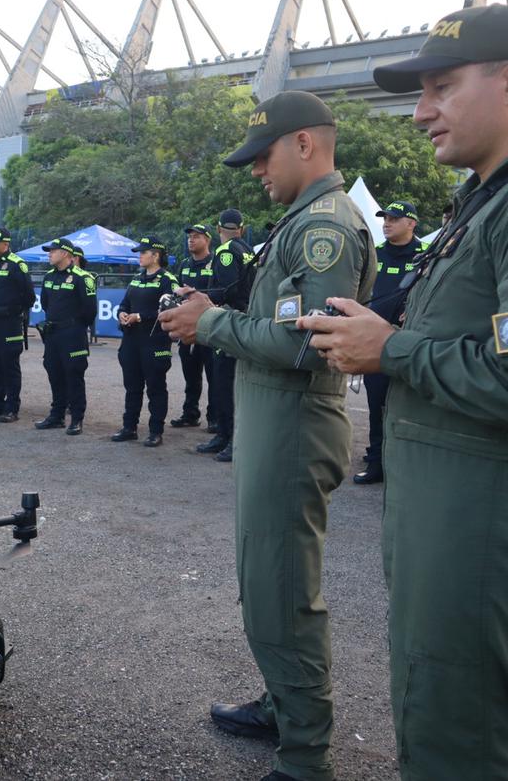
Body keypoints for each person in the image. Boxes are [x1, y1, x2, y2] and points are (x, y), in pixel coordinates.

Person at [298, 3, 508, 780]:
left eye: (441, 89)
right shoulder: (493, 195)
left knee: (464, 734)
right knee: (434, 699)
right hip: (448, 502)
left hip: (483, 512)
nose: (420, 113)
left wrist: (396, 350)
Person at [159, 89, 375, 781]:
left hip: (294, 424)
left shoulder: (325, 228)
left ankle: (306, 755)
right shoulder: (301, 220)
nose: (255, 169)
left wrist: (211, 325)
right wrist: (213, 307)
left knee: (283, 588)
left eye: (263, 155)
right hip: (273, 420)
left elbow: (313, 342)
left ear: (305, 143)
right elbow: (282, 318)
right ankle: (284, 707)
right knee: (265, 581)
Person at [353, 201, 427, 484]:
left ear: (411, 223)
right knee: (377, 406)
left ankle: (408, 464)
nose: (387, 223)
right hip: (376, 343)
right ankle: (377, 462)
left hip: (411, 343)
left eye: (394, 219)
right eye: (385, 218)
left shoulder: (426, 254)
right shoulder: (376, 254)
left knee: (411, 406)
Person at [197, 209, 255, 462]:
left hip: (228, 318)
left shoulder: (226, 251)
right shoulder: (248, 249)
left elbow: (226, 289)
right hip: (244, 317)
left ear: (219, 229)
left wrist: (200, 297)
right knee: (226, 380)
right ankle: (223, 434)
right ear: (241, 228)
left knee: (224, 381)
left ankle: (231, 439)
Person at [113, 237, 179, 446]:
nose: (139, 255)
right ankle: (129, 427)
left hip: (155, 342)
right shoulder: (136, 278)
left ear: (156, 255)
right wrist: (122, 314)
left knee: (156, 387)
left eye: (143, 252)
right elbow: (124, 304)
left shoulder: (168, 279)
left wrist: (140, 316)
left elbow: (171, 310)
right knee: (132, 387)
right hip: (132, 341)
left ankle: (155, 431)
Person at [35, 237, 97, 435]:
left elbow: (89, 311)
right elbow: (45, 304)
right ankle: (56, 416)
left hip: (73, 333)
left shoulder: (83, 277)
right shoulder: (49, 276)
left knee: (74, 375)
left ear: (65, 254)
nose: (49, 254)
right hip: (53, 333)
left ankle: (77, 419)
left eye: (53, 251)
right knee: (54, 373)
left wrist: (73, 326)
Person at [0, 227, 36, 423]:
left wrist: (13, 311)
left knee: (9, 364)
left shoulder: (16, 265)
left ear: (6, 244)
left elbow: (29, 296)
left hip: (9, 322)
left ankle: (12, 407)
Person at [173, 224, 217, 429]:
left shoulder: (216, 262)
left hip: (210, 329)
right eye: (189, 237)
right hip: (187, 330)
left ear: (207, 240)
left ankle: (215, 418)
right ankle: (190, 413)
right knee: (191, 376)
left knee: (214, 376)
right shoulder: (184, 264)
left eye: (196, 237)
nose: (191, 240)